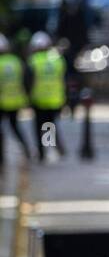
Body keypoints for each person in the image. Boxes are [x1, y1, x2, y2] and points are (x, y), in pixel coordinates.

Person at [26, 32, 66, 162]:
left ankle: (43, 153)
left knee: (40, 127)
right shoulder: (58, 60)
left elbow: (28, 81)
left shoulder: (33, 60)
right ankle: (52, 148)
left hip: (39, 99)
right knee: (49, 125)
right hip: (55, 99)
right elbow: (63, 79)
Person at [0, 34, 32, 165]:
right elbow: (26, 79)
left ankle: (2, 158)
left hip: (2, 102)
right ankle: (36, 150)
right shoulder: (16, 61)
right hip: (16, 101)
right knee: (16, 128)